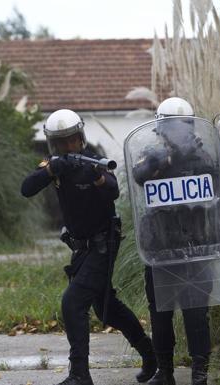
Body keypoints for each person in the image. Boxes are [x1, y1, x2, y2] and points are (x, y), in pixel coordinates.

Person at [21, 109, 156, 385]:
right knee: (106, 309)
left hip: (103, 243)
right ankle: (151, 354)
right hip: (81, 249)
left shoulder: (93, 161)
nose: (67, 146)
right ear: (53, 143)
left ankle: (79, 374)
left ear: (80, 138)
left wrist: (94, 176)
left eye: (71, 140)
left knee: (72, 302)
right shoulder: (55, 164)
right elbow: (27, 188)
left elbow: (112, 188)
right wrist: (50, 169)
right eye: (61, 142)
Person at [131, 97, 214, 385]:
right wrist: (166, 158)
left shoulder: (201, 156)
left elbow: (213, 178)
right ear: (161, 128)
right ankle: (164, 371)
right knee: (161, 313)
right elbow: (139, 173)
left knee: (195, 313)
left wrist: (186, 154)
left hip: (194, 243)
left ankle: (199, 373)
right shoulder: (151, 154)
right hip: (160, 245)